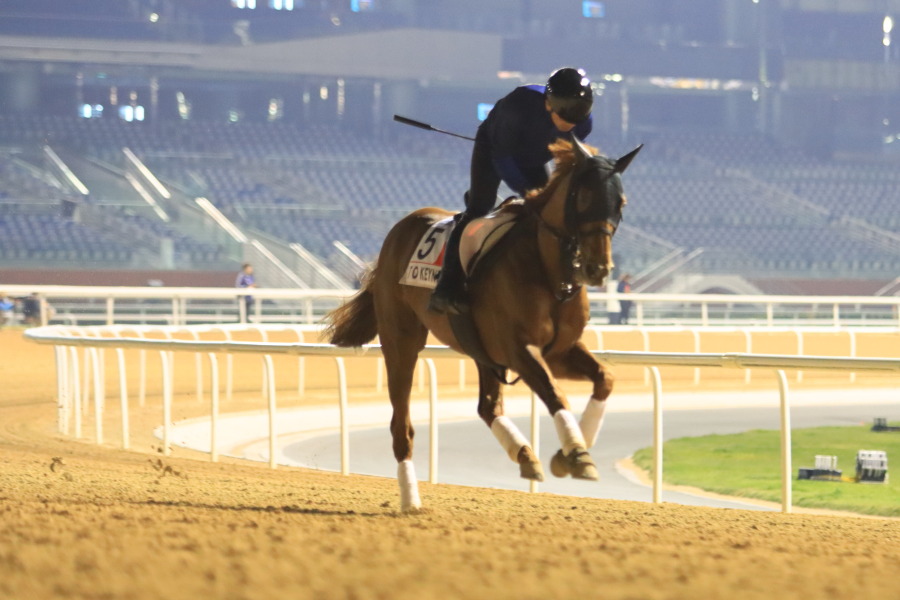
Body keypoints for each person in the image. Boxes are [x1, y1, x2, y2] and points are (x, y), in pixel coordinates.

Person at [429, 67, 594, 314]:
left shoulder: (582, 123)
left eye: (576, 120)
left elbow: (567, 160)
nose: (569, 125)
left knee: (549, 214)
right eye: (564, 118)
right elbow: (504, 160)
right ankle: (446, 288)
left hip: (535, 157)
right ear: (548, 105)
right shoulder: (518, 106)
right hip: (495, 149)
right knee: (479, 208)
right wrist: (528, 193)